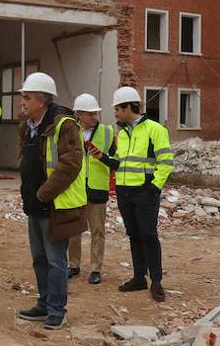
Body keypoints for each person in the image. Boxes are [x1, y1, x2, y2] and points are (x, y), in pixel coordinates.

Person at [14, 72, 86, 330]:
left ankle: (57, 310)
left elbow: (70, 165)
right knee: (39, 258)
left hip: (55, 206)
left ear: (42, 101)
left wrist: (42, 195)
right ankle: (43, 304)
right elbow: (26, 161)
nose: (22, 102)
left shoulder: (64, 125)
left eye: (27, 97)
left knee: (56, 261)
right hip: (35, 205)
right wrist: (28, 195)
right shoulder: (28, 126)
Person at [108, 86, 174, 303]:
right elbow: (121, 162)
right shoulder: (124, 132)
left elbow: (165, 163)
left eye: (118, 108)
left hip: (145, 192)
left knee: (149, 235)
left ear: (129, 107)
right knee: (134, 235)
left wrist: (154, 189)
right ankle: (139, 278)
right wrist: (103, 158)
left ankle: (156, 281)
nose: (115, 113)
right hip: (125, 192)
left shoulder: (155, 129)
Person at [67, 93, 116, 286]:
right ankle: (74, 265)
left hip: (97, 190)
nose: (94, 117)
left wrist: (102, 157)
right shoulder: (70, 131)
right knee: (73, 231)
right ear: (78, 114)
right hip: (76, 189)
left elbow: (117, 161)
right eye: (90, 114)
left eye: (95, 113)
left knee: (98, 232)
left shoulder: (107, 132)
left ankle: (96, 269)